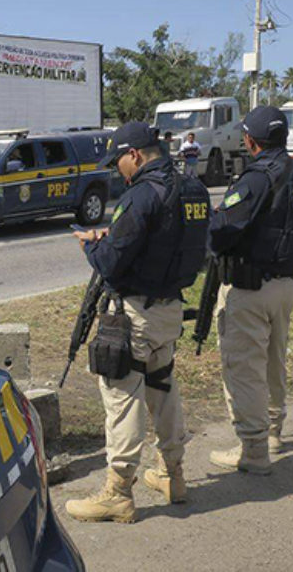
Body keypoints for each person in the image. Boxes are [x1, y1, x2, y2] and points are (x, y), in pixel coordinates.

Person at [65, 121, 210, 523]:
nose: (118, 171)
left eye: (119, 162)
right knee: (163, 389)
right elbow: (189, 241)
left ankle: (118, 492)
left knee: (122, 394)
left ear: (135, 154)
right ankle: (172, 474)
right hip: (169, 311)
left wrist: (90, 246)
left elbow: (111, 261)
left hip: (134, 314)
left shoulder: (142, 194)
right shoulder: (193, 189)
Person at [208, 106, 293, 473]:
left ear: (249, 140)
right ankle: (273, 431)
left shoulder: (256, 178)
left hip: (249, 287)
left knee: (244, 366)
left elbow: (221, 230)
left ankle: (254, 450)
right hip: (287, 283)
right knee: (275, 360)